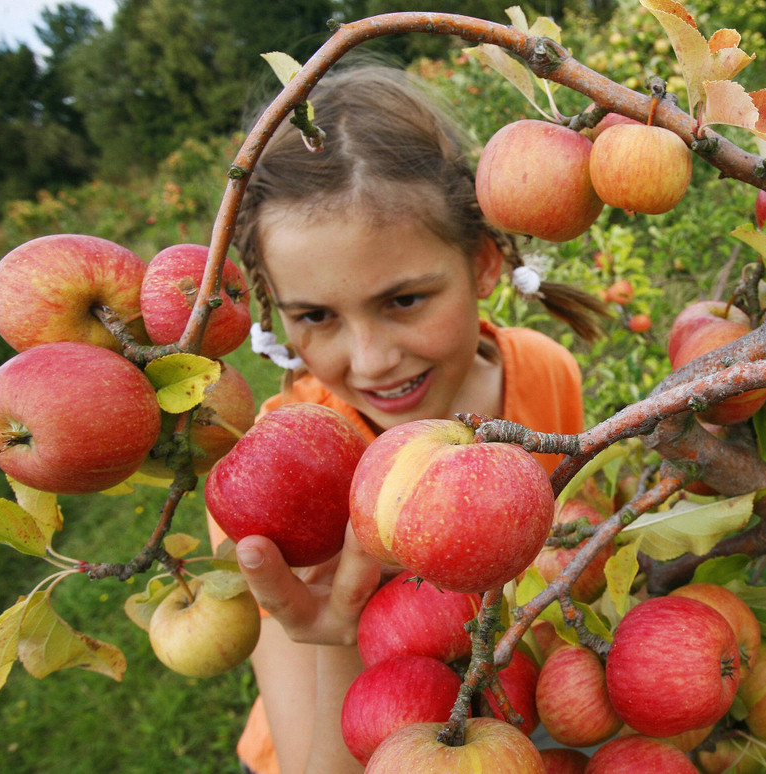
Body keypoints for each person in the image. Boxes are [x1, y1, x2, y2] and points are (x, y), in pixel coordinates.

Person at [207, 64, 606, 774]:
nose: (370, 360)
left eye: (405, 300)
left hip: (498, 706)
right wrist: (336, 633)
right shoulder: (275, 481)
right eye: (316, 316)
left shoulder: (544, 373)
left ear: (483, 265)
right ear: (275, 307)